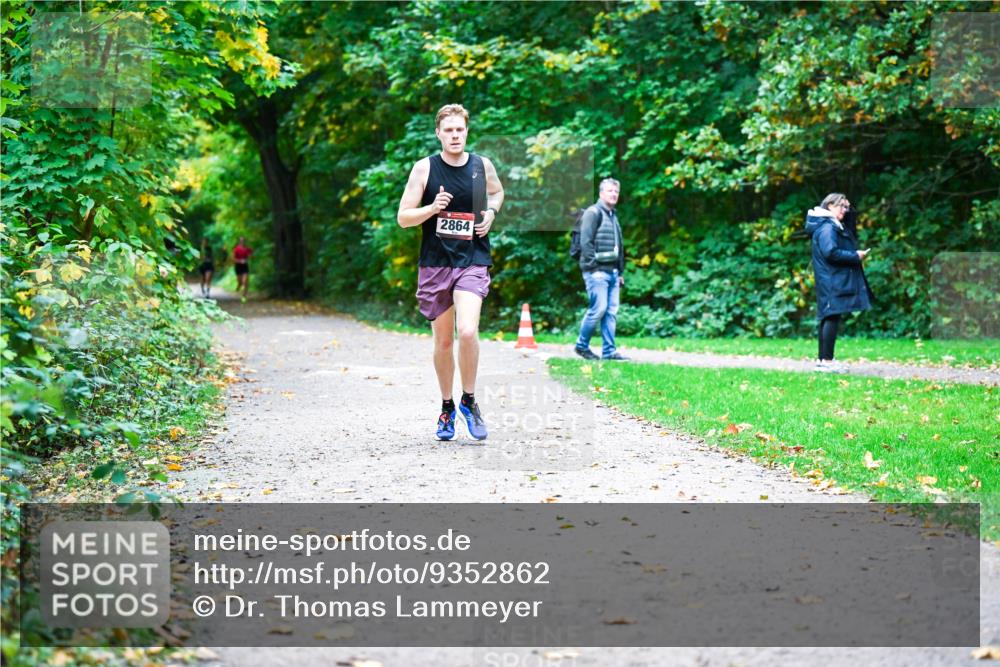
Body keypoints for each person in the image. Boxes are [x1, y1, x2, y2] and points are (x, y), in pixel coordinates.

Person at [396, 104, 504, 441]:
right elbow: (403, 217)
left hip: (472, 259)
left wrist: (491, 212)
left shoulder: (480, 165)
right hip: (436, 263)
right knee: (443, 341)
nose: (455, 135)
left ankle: (469, 400)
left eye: (460, 130)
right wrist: (432, 208)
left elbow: (498, 192)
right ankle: (447, 407)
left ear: (466, 132)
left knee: (468, 331)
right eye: (449, 130)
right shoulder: (424, 169)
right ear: (438, 133)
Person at [804, 193, 873, 373]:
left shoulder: (830, 224)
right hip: (832, 279)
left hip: (831, 279)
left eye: (846, 207)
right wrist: (855, 256)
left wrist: (849, 211)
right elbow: (831, 253)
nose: (845, 210)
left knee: (830, 316)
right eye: (841, 206)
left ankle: (823, 360)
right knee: (831, 317)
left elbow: (850, 230)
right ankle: (826, 361)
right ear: (829, 207)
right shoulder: (827, 228)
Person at [573, 178, 628, 361]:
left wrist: (619, 273)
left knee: (611, 312)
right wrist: (592, 268)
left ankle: (609, 352)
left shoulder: (613, 216)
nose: (614, 194)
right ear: (601, 193)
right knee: (599, 309)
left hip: (612, 272)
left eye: (616, 191)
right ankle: (581, 346)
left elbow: (618, 247)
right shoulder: (593, 212)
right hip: (597, 272)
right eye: (610, 191)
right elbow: (585, 242)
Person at [232, 237, 252, 302]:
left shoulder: (247, 248)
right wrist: (240, 261)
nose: (242, 242)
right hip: (238, 266)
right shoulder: (236, 249)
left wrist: (248, 258)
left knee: (245, 281)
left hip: (245, 266)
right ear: (239, 241)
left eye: (243, 240)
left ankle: (244, 296)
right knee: (240, 281)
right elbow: (233, 259)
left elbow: (251, 254)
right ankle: (239, 286)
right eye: (241, 240)